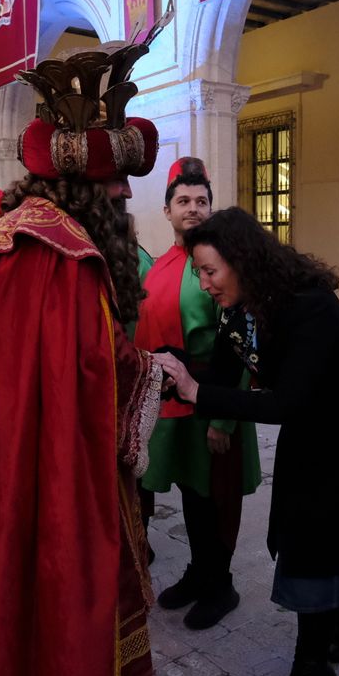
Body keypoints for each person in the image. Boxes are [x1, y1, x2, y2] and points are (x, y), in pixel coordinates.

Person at [0, 39, 165, 676]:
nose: (128, 204)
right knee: (54, 598)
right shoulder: (59, 253)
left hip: (3, 465)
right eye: (120, 190)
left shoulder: (16, 237)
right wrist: (158, 374)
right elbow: (90, 375)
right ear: (90, 191)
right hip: (48, 473)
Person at [156, 209, 339, 676]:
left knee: (315, 550)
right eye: (199, 274)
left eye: (210, 272)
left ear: (243, 261)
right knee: (305, 542)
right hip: (312, 436)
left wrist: (195, 390)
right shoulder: (238, 311)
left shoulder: (309, 307)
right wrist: (177, 367)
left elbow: (286, 403)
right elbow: (225, 377)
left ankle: (310, 671)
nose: (204, 285)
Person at [136, 158, 261, 631]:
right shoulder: (159, 265)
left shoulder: (227, 264)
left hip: (217, 396)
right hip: (174, 402)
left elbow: (243, 345)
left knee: (219, 495)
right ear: (167, 209)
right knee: (192, 493)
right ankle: (199, 570)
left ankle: (221, 583)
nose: (194, 209)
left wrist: (223, 417)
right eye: (183, 201)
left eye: (202, 200)